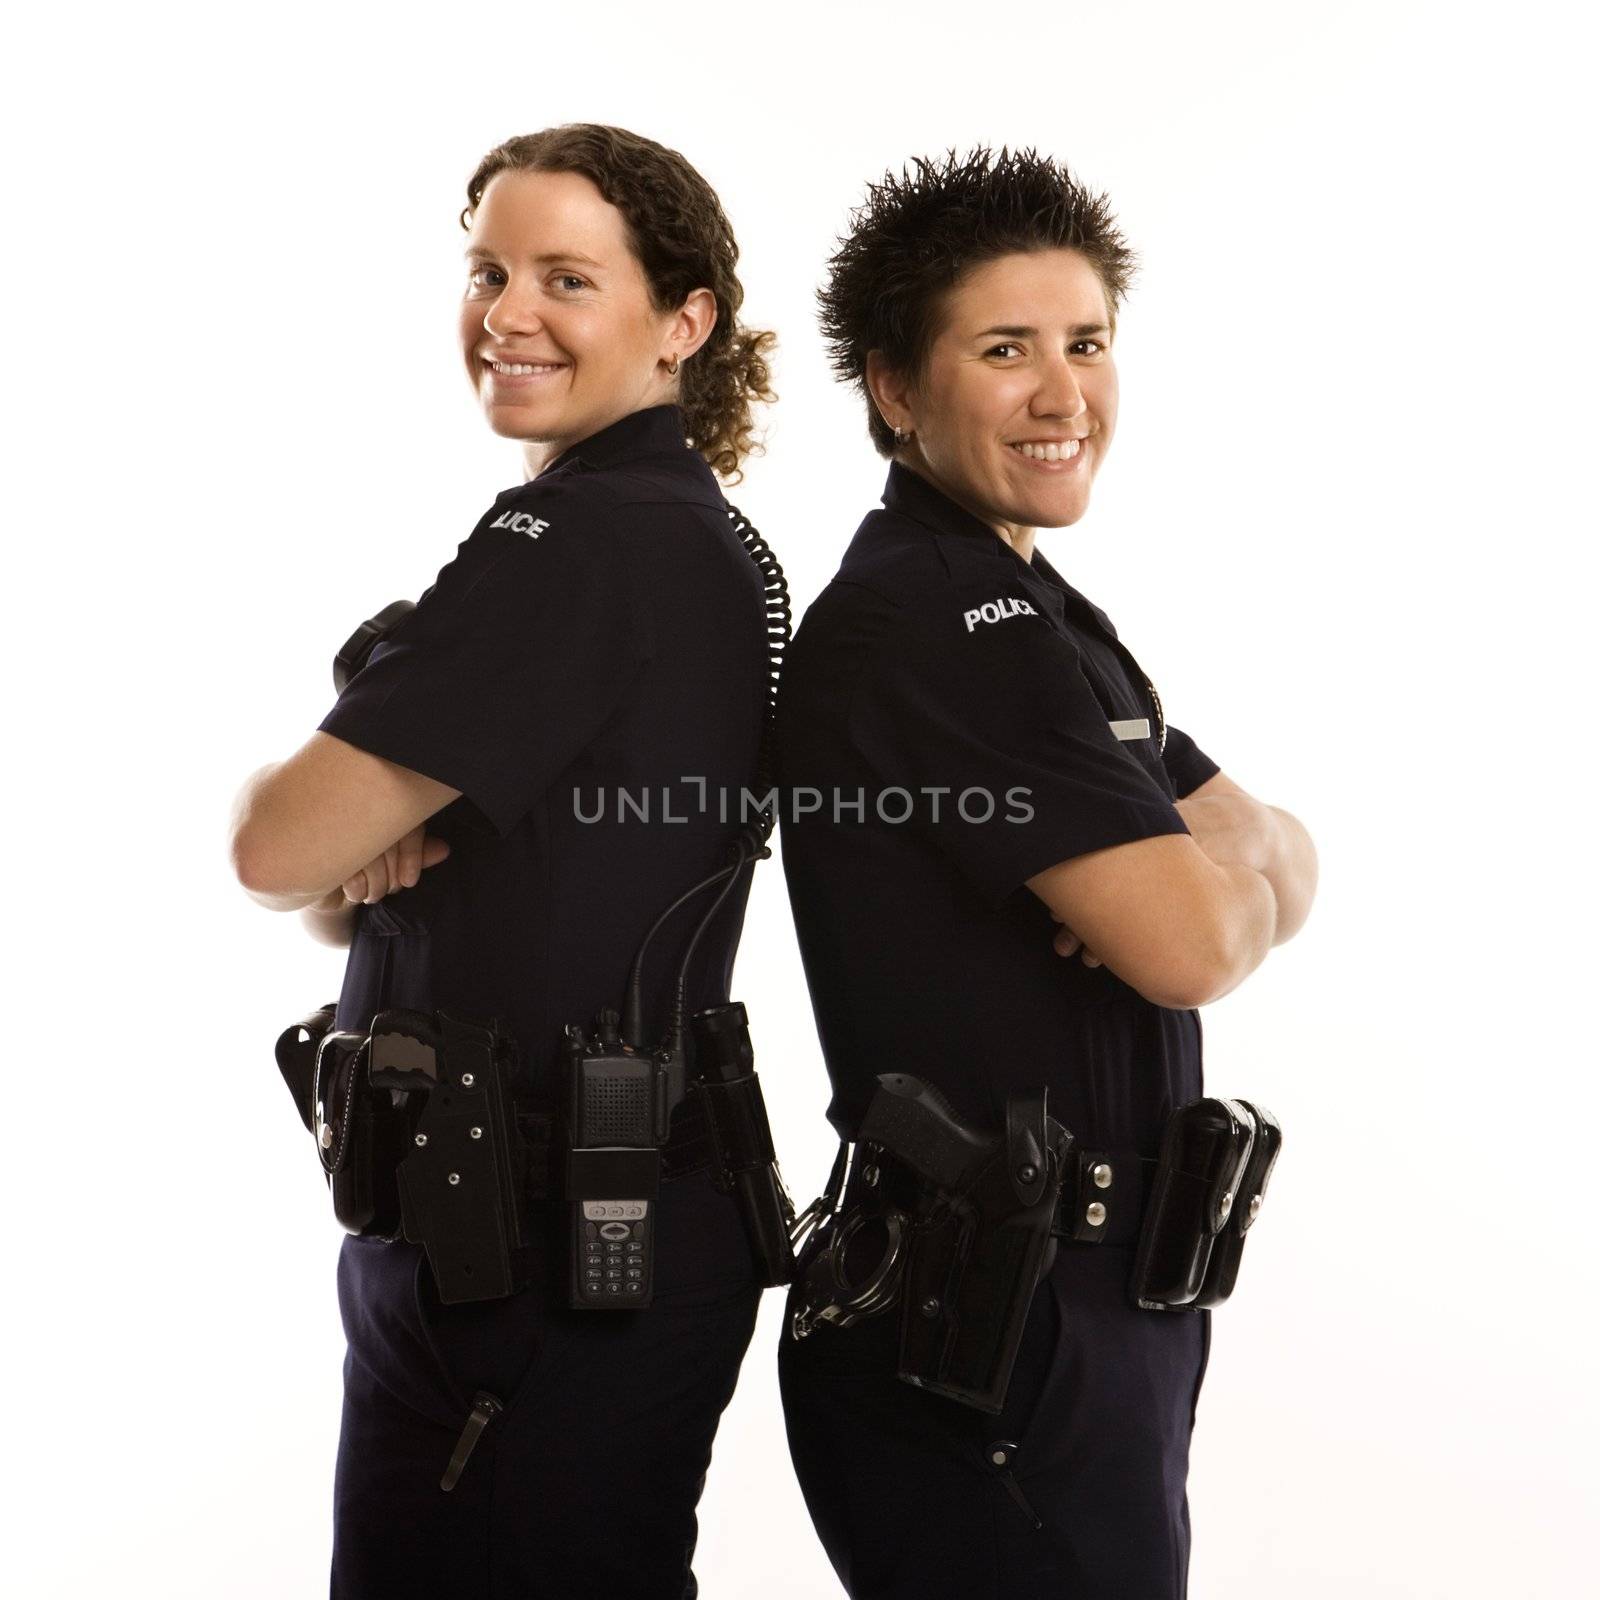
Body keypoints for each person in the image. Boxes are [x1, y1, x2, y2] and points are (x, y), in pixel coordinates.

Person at [228, 123, 782, 1598]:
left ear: (682, 323)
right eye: (485, 269)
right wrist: (376, 835)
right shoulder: (677, 536)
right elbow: (350, 895)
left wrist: (381, 673)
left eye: (565, 277)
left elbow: (272, 844)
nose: (507, 312)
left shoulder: (571, 542)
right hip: (578, 1241)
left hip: (529, 1265)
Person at [774, 147, 1318, 1598]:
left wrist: (1206, 880)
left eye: (1086, 343)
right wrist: (1194, 887)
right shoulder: (947, 627)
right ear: (896, 388)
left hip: (1075, 1312)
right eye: (1004, 349)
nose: (1064, 393)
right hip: (996, 1324)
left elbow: (1282, 857)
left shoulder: (1041, 618)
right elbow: (1199, 944)